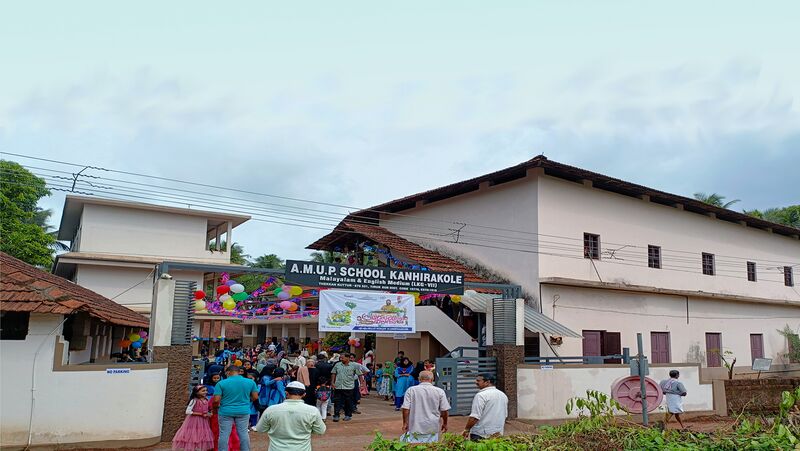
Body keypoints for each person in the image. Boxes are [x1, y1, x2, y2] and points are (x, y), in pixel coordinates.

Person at [254, 381, 326, 451]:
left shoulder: (271, 410)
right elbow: (321, 430)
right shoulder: (312, 411)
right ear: (304, 394)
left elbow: (260, 429)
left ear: (286, 393)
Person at [214, 365, 258, 451]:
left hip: (225, 411)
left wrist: (215, 409)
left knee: (224, 434)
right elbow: (255, 397)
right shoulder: (250, 382)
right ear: (239, 372)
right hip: (243, 410)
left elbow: (216, 400)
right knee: (243, 433)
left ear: (228, 372)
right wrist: (247, 400)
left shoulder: (221, 383)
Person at [401, 371, 450, 443]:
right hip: (432, 426)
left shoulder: (411, 390)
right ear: (432, 379)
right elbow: (444, 410)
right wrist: (445, 423)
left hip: (415, 426)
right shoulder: (439, 391)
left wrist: (405, 422)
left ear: (419, 379)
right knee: (431, 447)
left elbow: (405, 409)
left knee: (414, 446)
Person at [462, 373, 508, 441]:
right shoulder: (503, 395)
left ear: (487, 382)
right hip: (497, 433)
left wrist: (466, 429)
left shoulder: (481, 395)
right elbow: (505, 415)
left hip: (481, 434)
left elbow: (474, 417)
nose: (476, 382)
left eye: (478, 381)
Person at [172, 385, 215, 451]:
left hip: (203, 421)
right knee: (193, 434)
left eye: (206, 390)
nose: (205, 392)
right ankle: (192, 448)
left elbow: (207, 409)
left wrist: (209, 413)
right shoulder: (194, 400)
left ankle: (199, 448)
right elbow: (188, 411)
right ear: (197, 392)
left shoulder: (206, 400)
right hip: (194, 421)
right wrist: (200, 414)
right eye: (203, 391)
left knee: (201, 434)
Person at [331, 353, 361, 421]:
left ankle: (348, 415)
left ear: (348, 358)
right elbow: (333, 373)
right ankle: (336, 415)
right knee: (337, 401)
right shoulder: (337, 365)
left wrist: (361, 384)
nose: (341, 359)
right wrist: (332, 382)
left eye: (342, 358)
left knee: (348, 402)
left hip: (349, 387)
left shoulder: (354, 365)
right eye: (340, 358)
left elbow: (359, 374)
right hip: (338, 386)